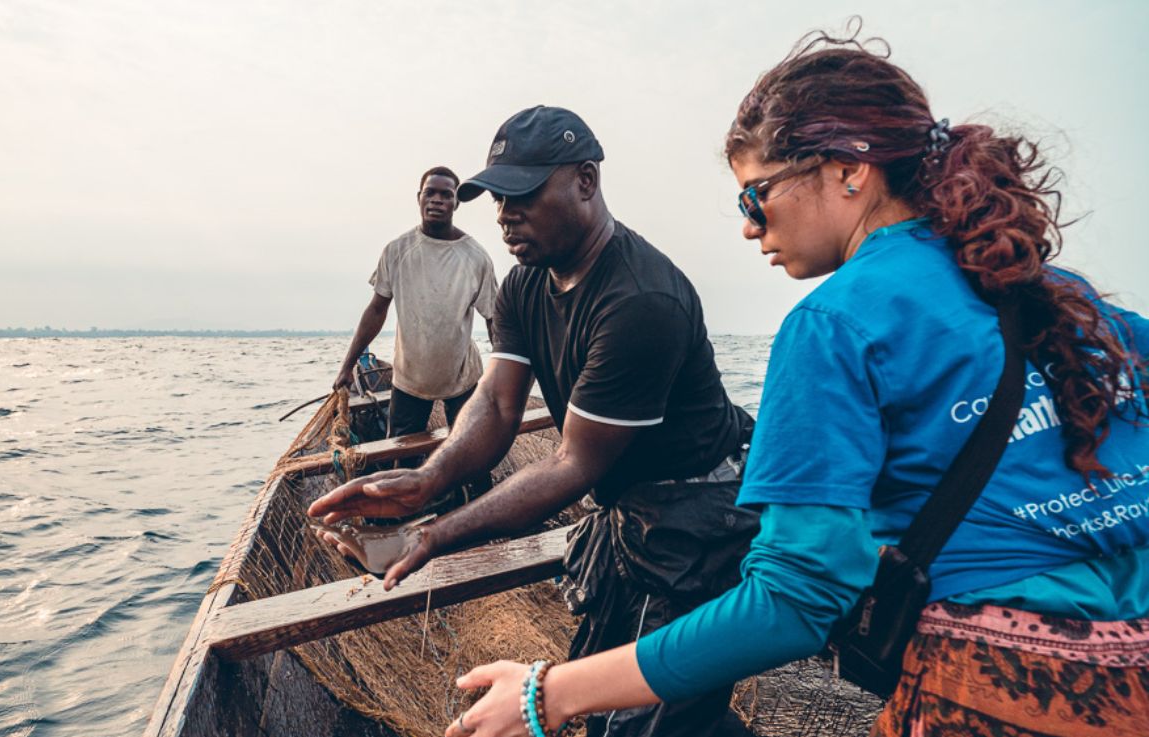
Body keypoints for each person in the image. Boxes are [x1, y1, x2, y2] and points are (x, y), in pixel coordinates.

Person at [439, 30, 1149, 737]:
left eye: (755, 196)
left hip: (1009, 691)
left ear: (849, 170)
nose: (750, 228)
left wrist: (547, 693)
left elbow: (795, 598)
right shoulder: (1068, 297)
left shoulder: (832, 325)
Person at [310, 106, 757, 737]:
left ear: (585, 180)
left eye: (521, 194)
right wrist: (426, 482)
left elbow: (572, 463)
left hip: (696, 515)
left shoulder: (639, 301)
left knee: (646, 718)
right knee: (619, 705)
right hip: (628, 506)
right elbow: (496, 404)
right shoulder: (524, 284)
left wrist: (430, 536)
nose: (503, 214)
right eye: (497, 198)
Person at [333, 166, 498, 439]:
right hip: (410, 379)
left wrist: (502, 376)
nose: (436, 200)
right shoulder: (397, 251)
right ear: (419, 198)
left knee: (471, 450)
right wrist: (347, 366)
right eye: (430, 193)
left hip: (462, 377)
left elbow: (494, 319)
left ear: (456, 203)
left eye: (446, 195)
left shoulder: (475, 257)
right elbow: (376, 309)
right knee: (401, 453)